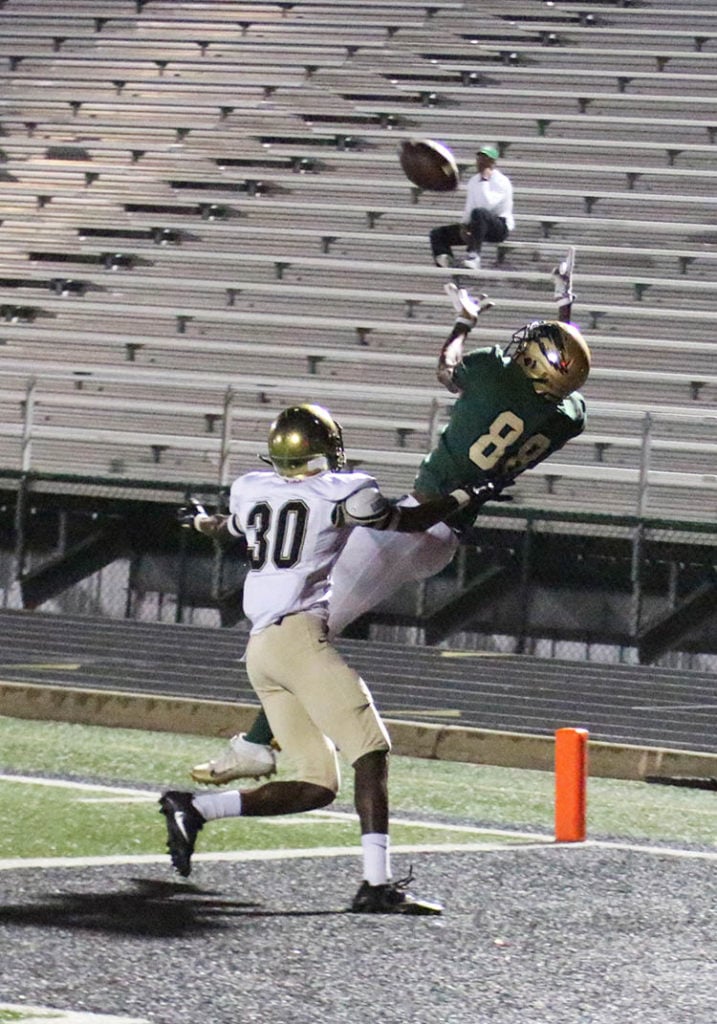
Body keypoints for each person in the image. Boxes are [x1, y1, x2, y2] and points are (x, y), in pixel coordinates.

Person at [190, 247, 589, 784]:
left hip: (417, 524)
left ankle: (258, 746)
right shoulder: (568, 417)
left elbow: (448, 370)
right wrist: (566, 307)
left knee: (300, 630)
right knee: (305, 633)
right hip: (445, 537)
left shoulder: (495, 377)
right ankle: (263, 740)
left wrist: (461, 323)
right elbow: (563, 374)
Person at [159, 404, 504, 914]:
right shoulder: (343, 491)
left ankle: (194, 809)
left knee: (320, 783)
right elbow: (407, 521)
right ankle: (376, 885)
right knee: (372, 750)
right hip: (298, 642)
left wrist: (201, 522)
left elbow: (230, 527)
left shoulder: (255, 489)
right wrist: (464, 495)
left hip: (261, 650)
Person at [429, 142, 514, 271]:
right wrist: (464, 225)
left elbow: (486, 205)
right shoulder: (474, 180)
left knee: (479, 213)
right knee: (437, 234)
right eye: (479, 158)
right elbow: (470, 206)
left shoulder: (501, 181)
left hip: (498, 227)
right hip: (477, 224)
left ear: (492, 162)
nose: (480, 162)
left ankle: (474, 256)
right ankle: (446, 260)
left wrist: (485, 180)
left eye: (485, 159)